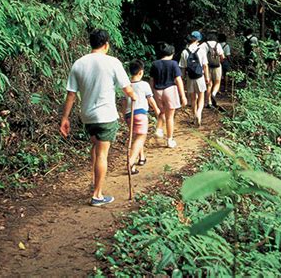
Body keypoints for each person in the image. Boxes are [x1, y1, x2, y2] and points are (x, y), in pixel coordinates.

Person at [60, 29, 137, 207]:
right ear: (106, 45)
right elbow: (127, 88)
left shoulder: (79, 64)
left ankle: (95, 182)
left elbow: (71, 94)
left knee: (95, 147)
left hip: (87, 116)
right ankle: (97, 194)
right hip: (106, 116)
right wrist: (134, 96)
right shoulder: (112, 62)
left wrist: (65, 118)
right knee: (102, 154)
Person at [122, 60, 161, 174]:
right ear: (141, 72)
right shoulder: (144, 85)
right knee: (140, 137)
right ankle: (130, 163)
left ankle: (142, 157)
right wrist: (157, 109)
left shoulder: (126, 86)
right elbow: (150, 99)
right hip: (140, 114)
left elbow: (124, 103)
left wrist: (124, 115)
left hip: (129, 115)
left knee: (136, 137)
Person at [149, 43, 187, 148]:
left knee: (162, 112)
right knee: (170, 117)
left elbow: (151, 80)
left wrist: (151, 93)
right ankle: (169, 140)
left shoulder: (155, 64)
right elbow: (178, 80)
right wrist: (183, 95)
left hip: (158, 91)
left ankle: (159, 129)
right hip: (170, 90)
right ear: (172, 53)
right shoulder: (174, 64)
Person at [179, 31, 209, 126]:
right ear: (198, 39)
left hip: (190, 77)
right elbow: (205, 66)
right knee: (201, 96)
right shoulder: (201, 51)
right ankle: (199, 113)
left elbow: (183, 68)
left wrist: (183, 79)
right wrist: (207, 77)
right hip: (200, 77)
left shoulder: (184, 52)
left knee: (192, 99)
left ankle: (194, 116)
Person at [202, 32, 224, 108]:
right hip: (217, 66)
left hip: (207, 66)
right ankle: (213, 94)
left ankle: (208, 102)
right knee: (217, 82)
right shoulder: (218, 44)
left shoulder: (204, 45)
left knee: (209, 84)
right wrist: (220, 61)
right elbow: (222, 56)